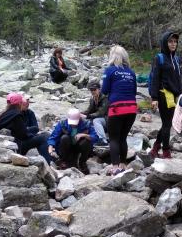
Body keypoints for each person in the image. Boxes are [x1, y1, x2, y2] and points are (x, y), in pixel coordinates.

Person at [101, 45, 138, 175]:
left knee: (114, 139)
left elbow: (104, 90)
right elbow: (134, 91)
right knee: (123, 138)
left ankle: (115, 167)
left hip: (117, 108)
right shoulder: (131, 72)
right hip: (132, 108)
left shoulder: (109, 70)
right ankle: (123, 164)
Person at [149, 31, 182, 159]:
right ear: (165, 42)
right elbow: (155, 78)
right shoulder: (160, 58)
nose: (173, 44)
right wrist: (154, 98)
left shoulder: (176, 59)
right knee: (167, 123)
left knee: (166, 124)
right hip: (163, 94)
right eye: (170, 41)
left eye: (175, 42)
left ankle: (155, 147)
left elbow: (178, 78)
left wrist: (180, 92)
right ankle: (166, 150)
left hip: (174, 95)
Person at [0, 93, 51, 163]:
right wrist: (33, 134)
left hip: (4, 146)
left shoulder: (2, 115)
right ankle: (47, 163)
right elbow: (23, 135)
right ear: (20, 103)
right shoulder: (17, 115)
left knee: (37, 133)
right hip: (16, 146)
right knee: (44, 136)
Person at [47, 108, 97, 174]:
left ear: (80, 118)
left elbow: (95, 137)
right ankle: (64, 160)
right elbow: (53, 136)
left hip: (79, 146)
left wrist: (84, 135)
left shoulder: (86, 124)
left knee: (86, 142)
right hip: (66, 147)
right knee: (64, 138)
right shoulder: (62, 123)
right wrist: (50, 147)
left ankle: (82, 162)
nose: (73, 125)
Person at [82, 81, 108, 146]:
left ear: (99, 89)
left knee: (96, 120)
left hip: (107, 120)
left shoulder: (105, 98)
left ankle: (103, 140)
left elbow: (101, 112)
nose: (93, 91)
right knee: (84, 121)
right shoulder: (92, 99)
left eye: (94, 89)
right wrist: (80, 113)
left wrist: (88, 116)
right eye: (91, 90)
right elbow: (89, 110)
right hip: (99, 119)